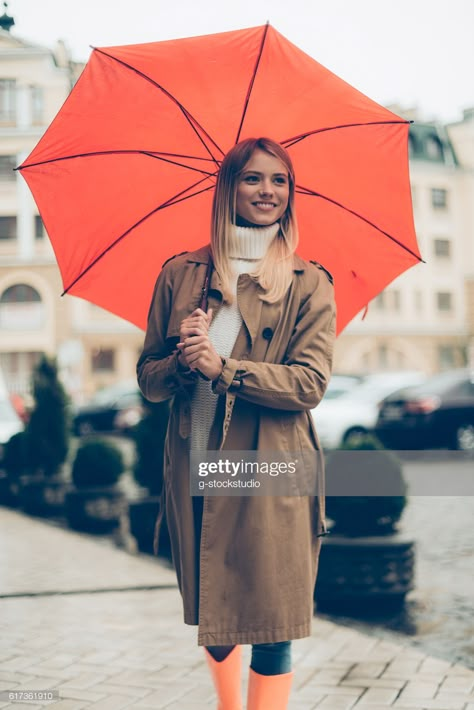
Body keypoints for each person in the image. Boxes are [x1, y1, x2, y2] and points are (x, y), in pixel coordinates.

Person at [137, 137, 336, 710]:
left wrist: (224, 369)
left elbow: (309, 384)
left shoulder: (307, 282)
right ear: (228, 188)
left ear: (291, 193)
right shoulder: (182, 275)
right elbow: (148, 380)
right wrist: (180, 360)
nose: (267, 191)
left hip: (271, 465)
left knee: (273, 621)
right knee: (217, 615)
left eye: (279, 180)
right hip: (197, 461)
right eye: (252, 179)